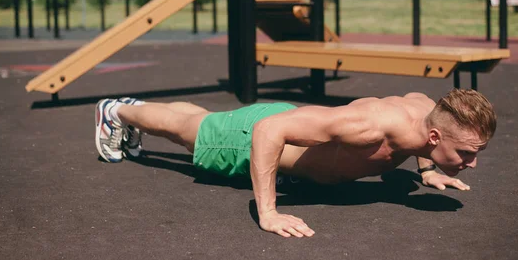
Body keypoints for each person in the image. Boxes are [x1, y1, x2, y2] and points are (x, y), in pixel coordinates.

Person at [95, 88, 497, 238]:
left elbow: (417, 94)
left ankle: (136, 108)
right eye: (466, 153)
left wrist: (428, 169)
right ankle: (116, 112)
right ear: (433, 138)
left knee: (196, 122)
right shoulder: (369, 127)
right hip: (249, 139)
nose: (472, 163)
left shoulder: (426, 112)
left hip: (298, 123)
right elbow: (269, 131)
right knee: (188, 132)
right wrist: (268, 213)